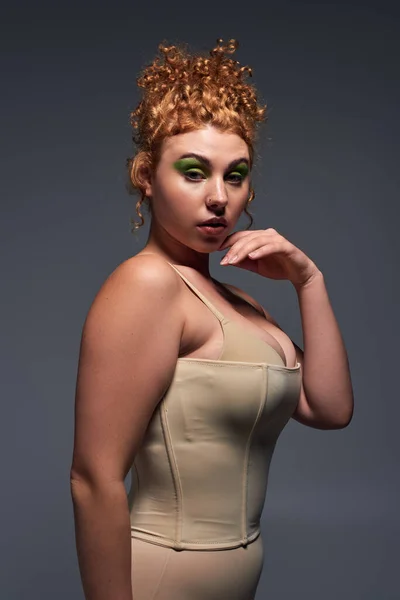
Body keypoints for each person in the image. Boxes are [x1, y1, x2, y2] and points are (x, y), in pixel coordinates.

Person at [70, 38, 354, 600]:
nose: (219, 197)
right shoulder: (147, 285)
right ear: (147, 176)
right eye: (194, 173)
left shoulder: (238, 302)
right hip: (162, 580)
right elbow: (93, 479)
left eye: (236, 174)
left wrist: (309, 281)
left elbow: (330, 408)